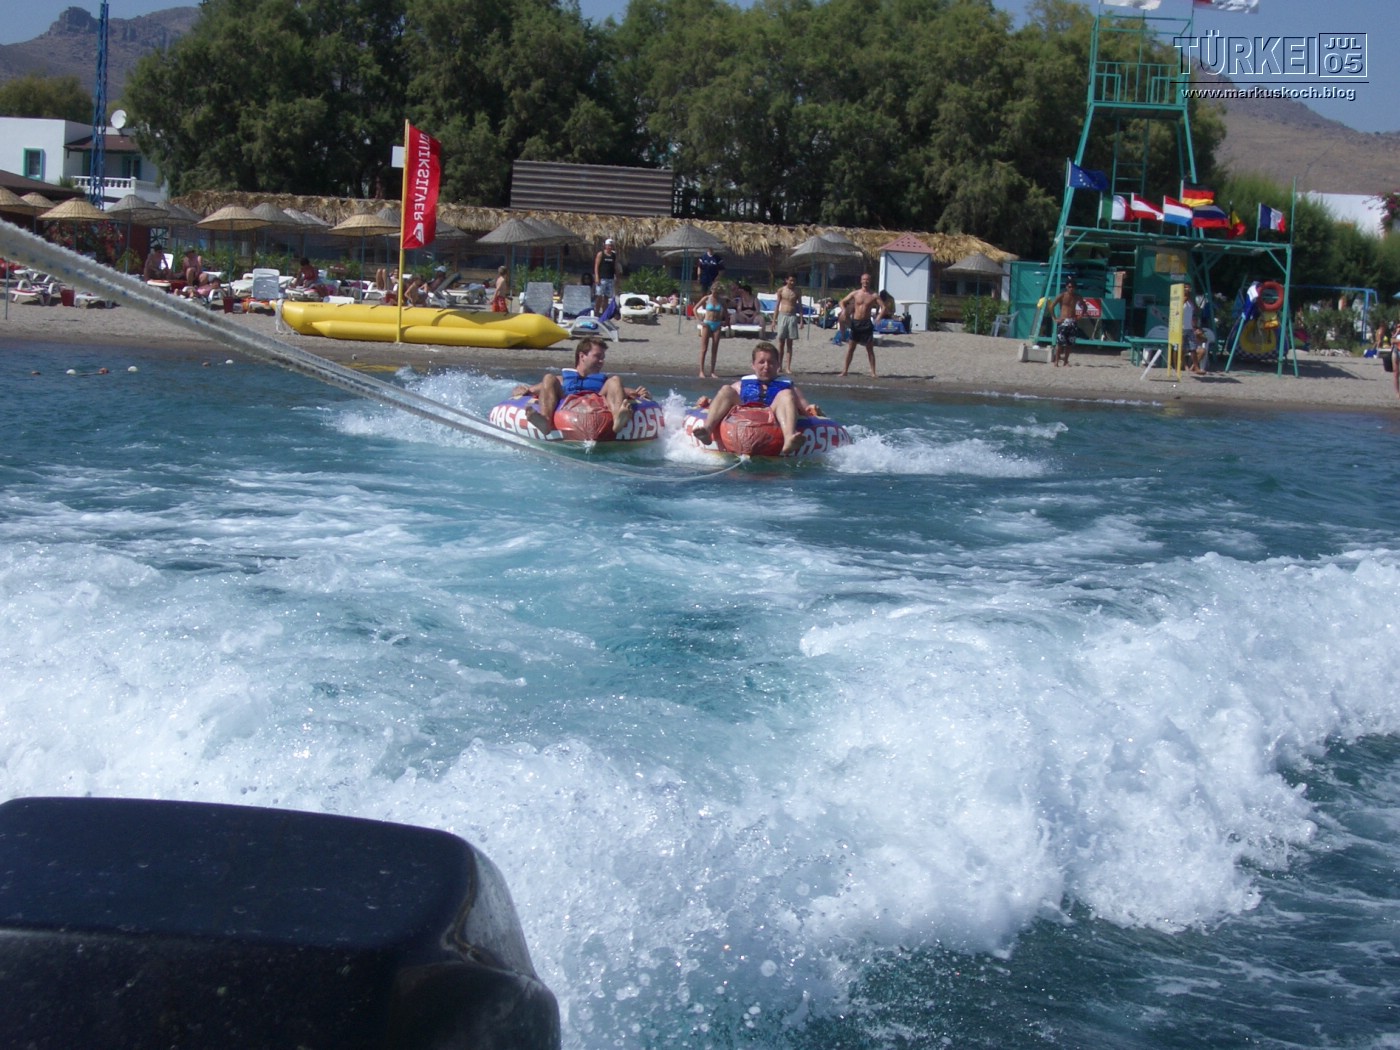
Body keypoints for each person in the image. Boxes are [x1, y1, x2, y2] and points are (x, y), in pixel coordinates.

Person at [691, 342, 823, 456]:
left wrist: (816, 410)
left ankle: (789, 438)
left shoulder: (790, 389)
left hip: (773, 416)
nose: (766, 366)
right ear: (753, 365)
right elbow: (720, 402)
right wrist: (706, 403)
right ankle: (707, 430)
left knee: (786, 394)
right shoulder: (740, 386)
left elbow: (810, 413)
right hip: (743, 416)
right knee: (726, 389)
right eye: (761, 362)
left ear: (778, 365)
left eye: (771, 362)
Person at [511, 337, 650, 435]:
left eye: (603, 358)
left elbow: (627, 391)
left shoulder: (606, 383)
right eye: (597, 356)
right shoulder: (561, 380)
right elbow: (530, 390)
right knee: (548, 378)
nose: (601, 361)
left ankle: (617, 420)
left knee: (615, 379)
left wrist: (642, 394)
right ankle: (545, 422)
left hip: (599, 402)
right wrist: (520, 390)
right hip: (567, 405)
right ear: (582, 356)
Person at [839, 273, 888, 378]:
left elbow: (884, 307)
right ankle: (845, 371)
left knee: (870, 349)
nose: (866, 281)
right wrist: (843, 311)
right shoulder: (855, 293)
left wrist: (879, 317)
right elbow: (842, 301)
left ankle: (873, 372)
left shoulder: (873, 295)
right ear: (861, 281)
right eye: (864, 279)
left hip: (866, 323)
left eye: (867, 280)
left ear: (870, 281)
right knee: (851, 348)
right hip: (856, 323)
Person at [696, 281, 729, 378]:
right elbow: (695, 309)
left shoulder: (721, 300)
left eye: (717, 292)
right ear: (711, 290)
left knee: (714, 349)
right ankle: (701, 371)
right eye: (714, 292)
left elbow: (726, 313)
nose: (715, 294)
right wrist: (699, 320)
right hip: (707, 323)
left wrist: (726, 322)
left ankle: (712, 371)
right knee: (704, 349)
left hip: (717, 324)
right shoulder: (707, 298)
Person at [774, 273, 802, 372]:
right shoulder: (781, 290)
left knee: (790, 343)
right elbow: (777, 305)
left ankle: (788, 367)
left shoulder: (797, 291)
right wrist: (774, 321)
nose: (792, 282)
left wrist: (801, 320)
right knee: (781, 343)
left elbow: (800, 306)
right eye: (790, 280)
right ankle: (779, 365)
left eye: (794, 281)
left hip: (792, 316)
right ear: (786, 280)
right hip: (783, 315)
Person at [1051, 278, 1081, 367]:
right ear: (1066, 287)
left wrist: (1080, 316)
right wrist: (1054, 318)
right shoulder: (1062, 296)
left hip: (1072, 321)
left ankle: (1066, 361)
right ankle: (1056, 361)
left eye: (1073, 287)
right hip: (1063, 321)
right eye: (1069, 287)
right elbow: (1051, 306)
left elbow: (1084, 306)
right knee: (1060, 343)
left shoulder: (1077, 297)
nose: (1071, 289)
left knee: (1069, 343)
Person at [594, 238, 620, 314]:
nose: (610, 247)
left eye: (611, 246)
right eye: (608, 246)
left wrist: (617, 277)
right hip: (602, 278)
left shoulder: (614, 255)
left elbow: (615, 266)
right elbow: (596, 266)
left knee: (606, 297)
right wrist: (597, 277)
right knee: (599, 296)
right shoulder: (601, 254)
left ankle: (604, 313)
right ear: (605, 246)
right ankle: (596, 312)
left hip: (610, 279)